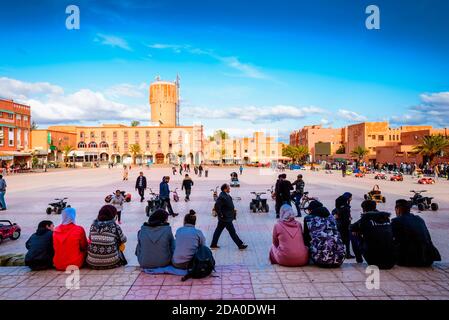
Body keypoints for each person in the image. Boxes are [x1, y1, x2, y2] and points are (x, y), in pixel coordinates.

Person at [392, 199, 441, 267]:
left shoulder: (396, 221)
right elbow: (428, 238)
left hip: (411, 260)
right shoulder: (419, 219)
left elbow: (391, 239)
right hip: (428, 259)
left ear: (398, 209)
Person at [350, 200, 396, 269]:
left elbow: (351, 227)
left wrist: (358, 230)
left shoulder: (366, 218)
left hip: (374, 262)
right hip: (391, 262)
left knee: (352, 233)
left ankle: (359, 260)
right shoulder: (385, 217)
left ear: (364, 209)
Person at [303, 201, 345, 268]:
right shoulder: (332, 217)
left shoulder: (308, 218)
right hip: (339, 260)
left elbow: (306, 237)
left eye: (309, 210)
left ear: (311, 210)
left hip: (321, 260)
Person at [86, 205, 127, 269]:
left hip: (92, 262)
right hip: (112, 262)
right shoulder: (115, 226)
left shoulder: (93, 225)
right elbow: (124, 240)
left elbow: (90, 238)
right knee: (122, 244)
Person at [211, 184, 248, 250]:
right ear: (225, 189)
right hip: (225, 218)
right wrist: (220, 214)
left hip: (226, 217)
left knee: (218, 231)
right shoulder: (222, 196)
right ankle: (240, 245)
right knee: (232, 232)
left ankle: (213, 244)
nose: (229, 189)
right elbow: (216, 206)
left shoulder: (225, 195)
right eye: (228, 188)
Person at [333, 192, 354, 259]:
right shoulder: (345, 207)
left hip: (339, 224)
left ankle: (341, 253)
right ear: (348, 197)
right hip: (344, 225)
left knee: (341, 239)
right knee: (347, 240)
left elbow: (334, 211)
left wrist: (337, 215)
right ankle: (347, 254)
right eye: (351, 197)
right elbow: (345, 218)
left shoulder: (340, 204)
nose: (351, 198)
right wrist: (349, 220)